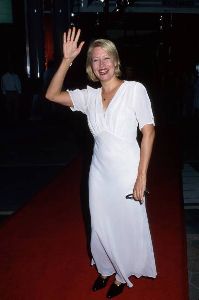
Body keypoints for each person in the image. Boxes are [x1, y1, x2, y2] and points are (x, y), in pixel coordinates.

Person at [46, 27, 157, 298]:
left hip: (127, 170)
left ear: (115, 61)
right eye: (95, 60)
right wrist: (66, 59)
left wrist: (141, 176)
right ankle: (105, 268)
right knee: (100, 223)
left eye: (106, 58)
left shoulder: (134, 90)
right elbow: (51, 95)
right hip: (99, 172)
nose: (101, 64)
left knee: (124, 222)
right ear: (91, 68)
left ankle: (121, 274)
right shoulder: (89, 97)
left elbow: (149, 131)